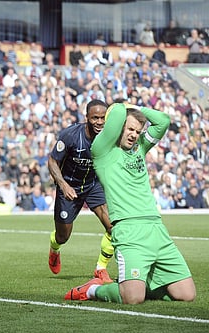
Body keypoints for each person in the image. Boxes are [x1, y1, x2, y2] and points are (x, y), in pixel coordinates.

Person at [65, 103, 196, 304]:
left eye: (138, 131)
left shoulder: (139, 148)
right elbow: (117, 111)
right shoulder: (102, 151)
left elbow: (163, 121)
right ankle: (92, 290)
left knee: (186, 295)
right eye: (130, 129)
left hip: (156, 229)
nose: (134, 135)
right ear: (118, 129)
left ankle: (137, 283)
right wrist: (125, 107)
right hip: (128, 231)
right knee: (132, 299)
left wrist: (137, 108)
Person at [47, 99, 114, 283]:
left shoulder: (109, 136)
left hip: (94, 185)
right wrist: (63, 185)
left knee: (113, 227)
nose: (99, 122)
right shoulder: (70, 135)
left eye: (102, 118)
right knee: (63, 236)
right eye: (95, 118)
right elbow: (52, 161)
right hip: (69, 187)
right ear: (87, 118)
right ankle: (55, 248)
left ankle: (101, 268)